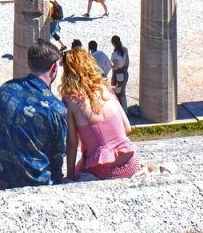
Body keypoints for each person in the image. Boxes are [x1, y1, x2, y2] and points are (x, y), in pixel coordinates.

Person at [0, 40, 67, 189]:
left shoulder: (5, 90)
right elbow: (58, 156)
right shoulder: (56, 108)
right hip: (34, 180)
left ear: (28, 64)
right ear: (54, 68)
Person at [61, 48, 152, 181]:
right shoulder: (105, 88)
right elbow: (127, 128)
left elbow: (72, 143)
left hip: (104, 170)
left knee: (81, 166)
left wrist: (70, 176)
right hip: (132, 163)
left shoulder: (71, 100)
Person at [110, 35, 129, 112]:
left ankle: (119, 111)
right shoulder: (125, 50)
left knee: (117, 94)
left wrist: (110, 67)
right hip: (125, 72)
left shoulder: (114, 54)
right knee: (123, 93)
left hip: (118, 74)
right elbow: (127, 62)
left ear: (113, 43)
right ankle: (125, 110)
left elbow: (116, 66)